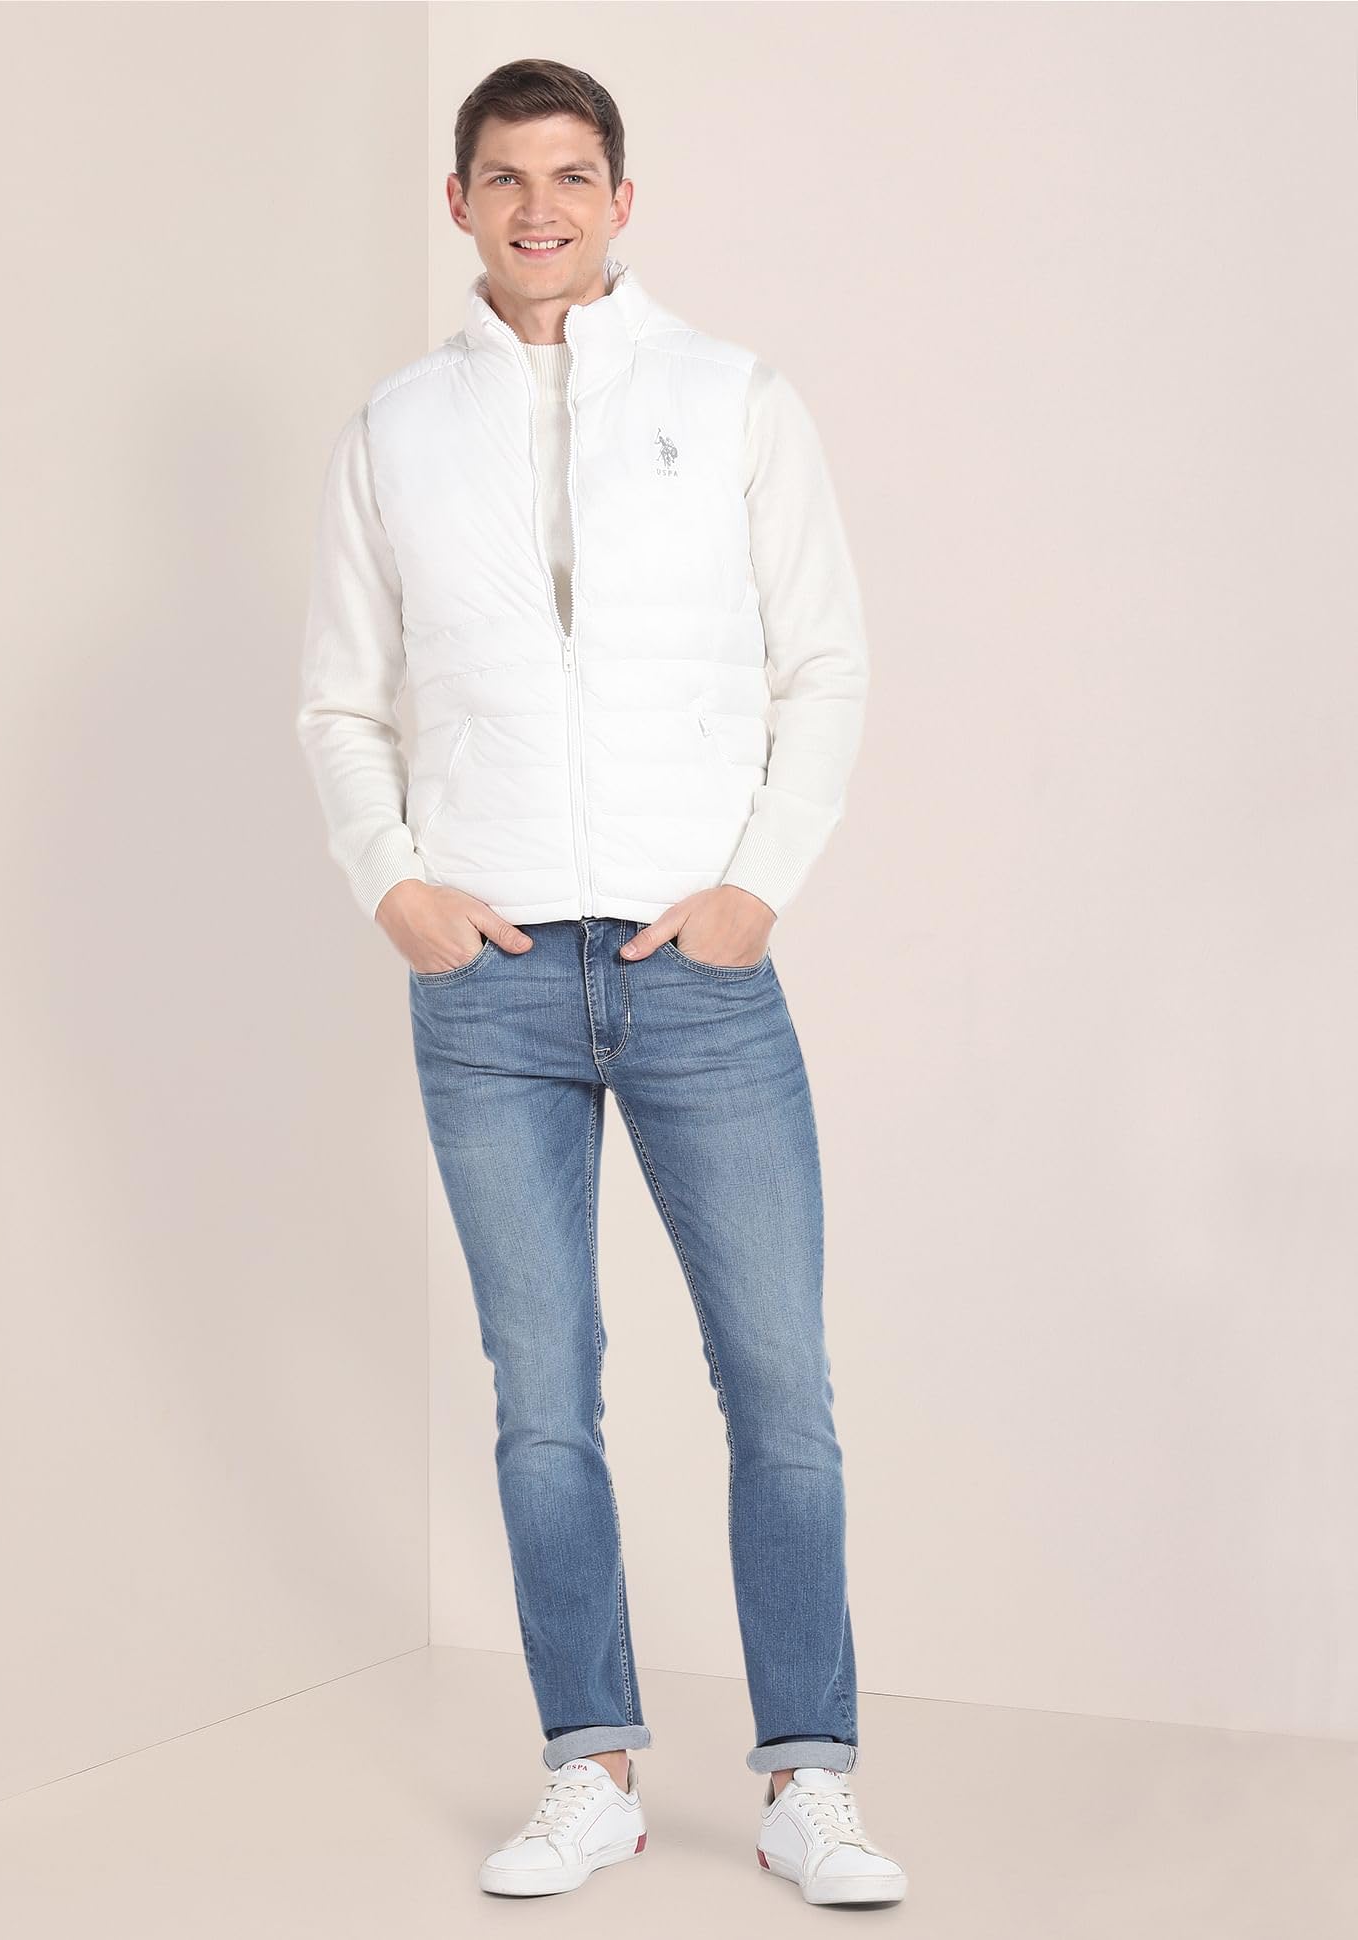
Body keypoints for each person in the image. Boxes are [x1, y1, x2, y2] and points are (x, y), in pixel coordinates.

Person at [296, 56, 907, 1909]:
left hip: (693, 970)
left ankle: (809, 1778)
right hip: (487, 986)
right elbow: (341, 698)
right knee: (542, 1394)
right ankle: (593, 1769)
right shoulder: (399, 428)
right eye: (505, 177)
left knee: (779, 1380)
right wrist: (396, 886)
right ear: (459, 203)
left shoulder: (731, 399)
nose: (539, 207)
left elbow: (826, 663)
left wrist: (756, 888)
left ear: (622, 201)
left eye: (572, 176)